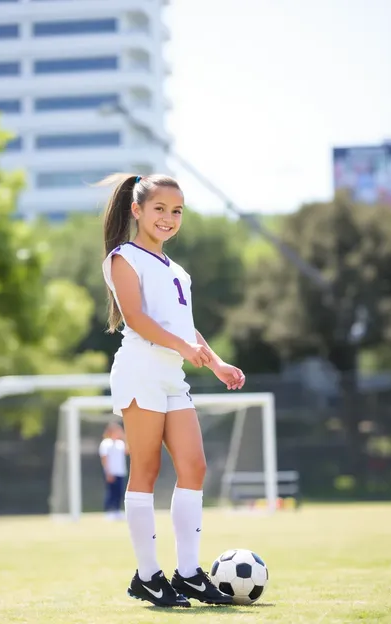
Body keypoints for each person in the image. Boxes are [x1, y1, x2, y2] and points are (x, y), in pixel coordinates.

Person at [101, 173, 246, 608]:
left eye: (176, 210)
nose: (168, 218)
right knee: (144, 471)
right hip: (140, 371)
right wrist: (184, 347)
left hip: (171, 376)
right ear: (137, 211)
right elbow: (138, 319)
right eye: (160, 209)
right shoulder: (123, 257)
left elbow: (184, 325)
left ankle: (187, 574)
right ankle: (148, 576)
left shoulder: (178, 270)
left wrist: (216, 362)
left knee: (194, 467)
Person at [99, 421, 128, 521]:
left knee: (119, 492)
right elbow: (104, 458)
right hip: (111, 472)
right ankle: (109, 511)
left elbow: (128, 451)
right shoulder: (105, 443)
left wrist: (123, 437)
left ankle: (116, 510)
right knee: (111, 492)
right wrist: (108, 472)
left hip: (120, 472)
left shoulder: (120, 444)